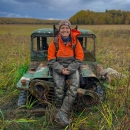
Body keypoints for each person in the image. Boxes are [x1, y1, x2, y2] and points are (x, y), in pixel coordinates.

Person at [48, 20, 84, 126]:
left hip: (72, 67)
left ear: (70, 30)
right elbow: (51, 59)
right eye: (62, 28)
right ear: (59, 30)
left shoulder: (75, 42)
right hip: (58, 66)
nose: (65, 30)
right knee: (59, 87)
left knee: (74, 86)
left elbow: (79, 58)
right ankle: (59, 110)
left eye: (67, 28)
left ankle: (63, 112)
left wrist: (70, 69)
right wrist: (60, 69)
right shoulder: (54, 42)